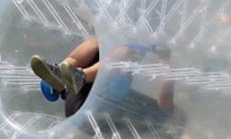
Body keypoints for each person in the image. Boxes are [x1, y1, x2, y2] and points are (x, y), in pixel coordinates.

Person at [30, 38, 175, 118]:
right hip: (80, 104)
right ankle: (62, 73)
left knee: (120, 56)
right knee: (97, 43)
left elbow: (164, 102)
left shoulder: (166, 117)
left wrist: (165, 61)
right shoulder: (158, 119)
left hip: (86, 106)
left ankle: (74, 75)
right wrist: (152, 50)